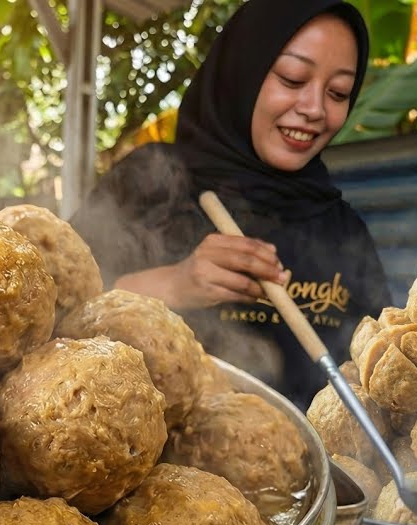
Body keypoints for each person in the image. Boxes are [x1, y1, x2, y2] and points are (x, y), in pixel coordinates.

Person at [69, 0, 391, 409]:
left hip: (309, 467)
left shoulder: (341, 227)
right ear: (243, 71)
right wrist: (173, 284)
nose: (314, 109)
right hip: (139, 458)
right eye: (292, 79)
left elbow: (378, 369)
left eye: (338, 92)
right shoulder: (150, 180)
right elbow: (53, 310)